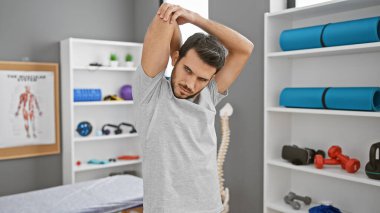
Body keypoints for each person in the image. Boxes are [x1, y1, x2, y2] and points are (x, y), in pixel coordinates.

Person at [132, 3, 253, 213]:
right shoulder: (151, 91)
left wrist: (197, 19)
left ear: (210, 79)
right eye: (187, 70)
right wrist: (174, 42)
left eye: (201, 78)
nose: (190, 84)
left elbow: (245, 48)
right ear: (176, 58)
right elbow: (165, 16)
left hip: (210, 207)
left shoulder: (208, 94)